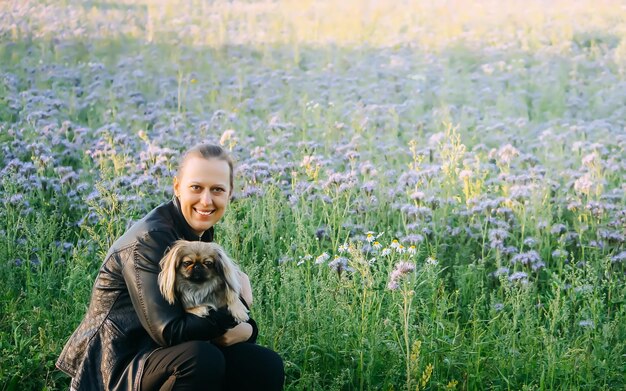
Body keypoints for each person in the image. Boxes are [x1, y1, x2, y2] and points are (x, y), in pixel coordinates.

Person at [56, 143, 285, 390]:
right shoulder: (150, 240)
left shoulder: (197, 236)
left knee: (263, 363)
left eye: (217, 189)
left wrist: (248, 329)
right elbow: (169, 332)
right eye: (196, 187)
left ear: (230, 193)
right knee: (202, 359)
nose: (206, 200)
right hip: (117, 367)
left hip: (161, 357)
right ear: (177, 187)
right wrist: (238, 308)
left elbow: (214, 312)